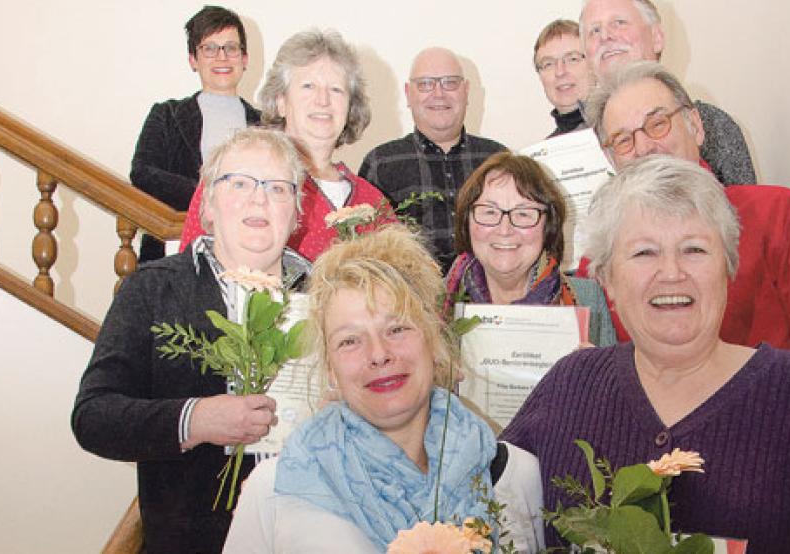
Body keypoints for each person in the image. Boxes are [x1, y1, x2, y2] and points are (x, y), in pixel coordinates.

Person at [501, 156, 790, 552]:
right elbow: (480, 516)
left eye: (694, 249)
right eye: (645, 252)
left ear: (728, 268)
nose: (672, 272)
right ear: (607, 278)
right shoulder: (569, 385)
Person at [578, 60, 790, 443]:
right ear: (610, 159)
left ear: (696, 126)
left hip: (778, 462)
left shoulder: (776, 215)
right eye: (622, 139)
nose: (643, 148)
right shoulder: (597, 262)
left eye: (657, 124)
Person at [223, 226, 544, 553]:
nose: (378, 354)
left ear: (434, 342)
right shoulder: (277, 490)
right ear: (330, 369)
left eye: (397, 328)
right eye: (350, 341)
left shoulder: (517, 477)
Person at [73, 127, 312, 553]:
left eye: (278, 188)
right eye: (239, 183)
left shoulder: (330, 297)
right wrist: (194, 419)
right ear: (207, 207)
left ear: (296, 213)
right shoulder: (152, 289)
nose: (259, 199)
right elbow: (94, 416)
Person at [180, 29, 390, 260]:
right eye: (308, 86)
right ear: (281, 102)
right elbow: (191, 270)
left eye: (336, 90)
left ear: (350, 108)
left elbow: (410, 280)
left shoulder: (371, 200)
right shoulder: (234, 175)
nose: (323, 100)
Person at [446, 151, 615, 347]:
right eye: (490, 212)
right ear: (467, 221)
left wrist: (597, 374)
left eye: (523, 214)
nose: (505, 229)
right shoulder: (435, 306)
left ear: (548, 225)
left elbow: (616, 377)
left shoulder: (588, 297)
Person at [131, 5, 260, 262]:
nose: (221, 57)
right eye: (209, 49)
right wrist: (212, 194)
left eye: (231, 48)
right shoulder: (167, 115)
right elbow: (143, 173)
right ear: (193, 59)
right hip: (175, 250)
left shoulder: (267, 126)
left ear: (244, 59)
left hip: (249, 253)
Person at [359, 47, 506, 271]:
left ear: (466, 91)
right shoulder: (380, 164)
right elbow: (365, 255)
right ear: (408, 94)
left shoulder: (498, 160)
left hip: (490, 301)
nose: (439, 93)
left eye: (450, 82)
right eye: (426, 84)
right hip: (409, 302)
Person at [580, 0, 757, 185]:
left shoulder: (713, 124)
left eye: (619, 22)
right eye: (595, 30)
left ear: (657, 37)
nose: (605, 36)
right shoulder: (574, 150)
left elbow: (748, 208)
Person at [532, 19, 595, 138]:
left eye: (573, 59)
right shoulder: (546, 152)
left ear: (594, 65)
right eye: (548, 64)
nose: (560, 72)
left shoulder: (621, 133)